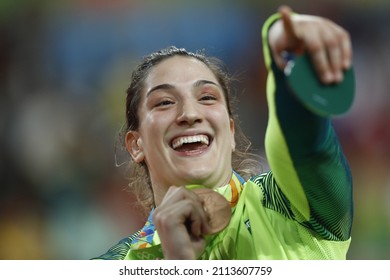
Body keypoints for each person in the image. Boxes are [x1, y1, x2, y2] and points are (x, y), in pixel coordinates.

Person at [93, 5, 353, 260]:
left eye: (207, 97)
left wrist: (285, 58)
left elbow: (305, 146)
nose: (190, 114)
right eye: (164, 102)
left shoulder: (293, 209)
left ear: (230, 131)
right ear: (136, 145)